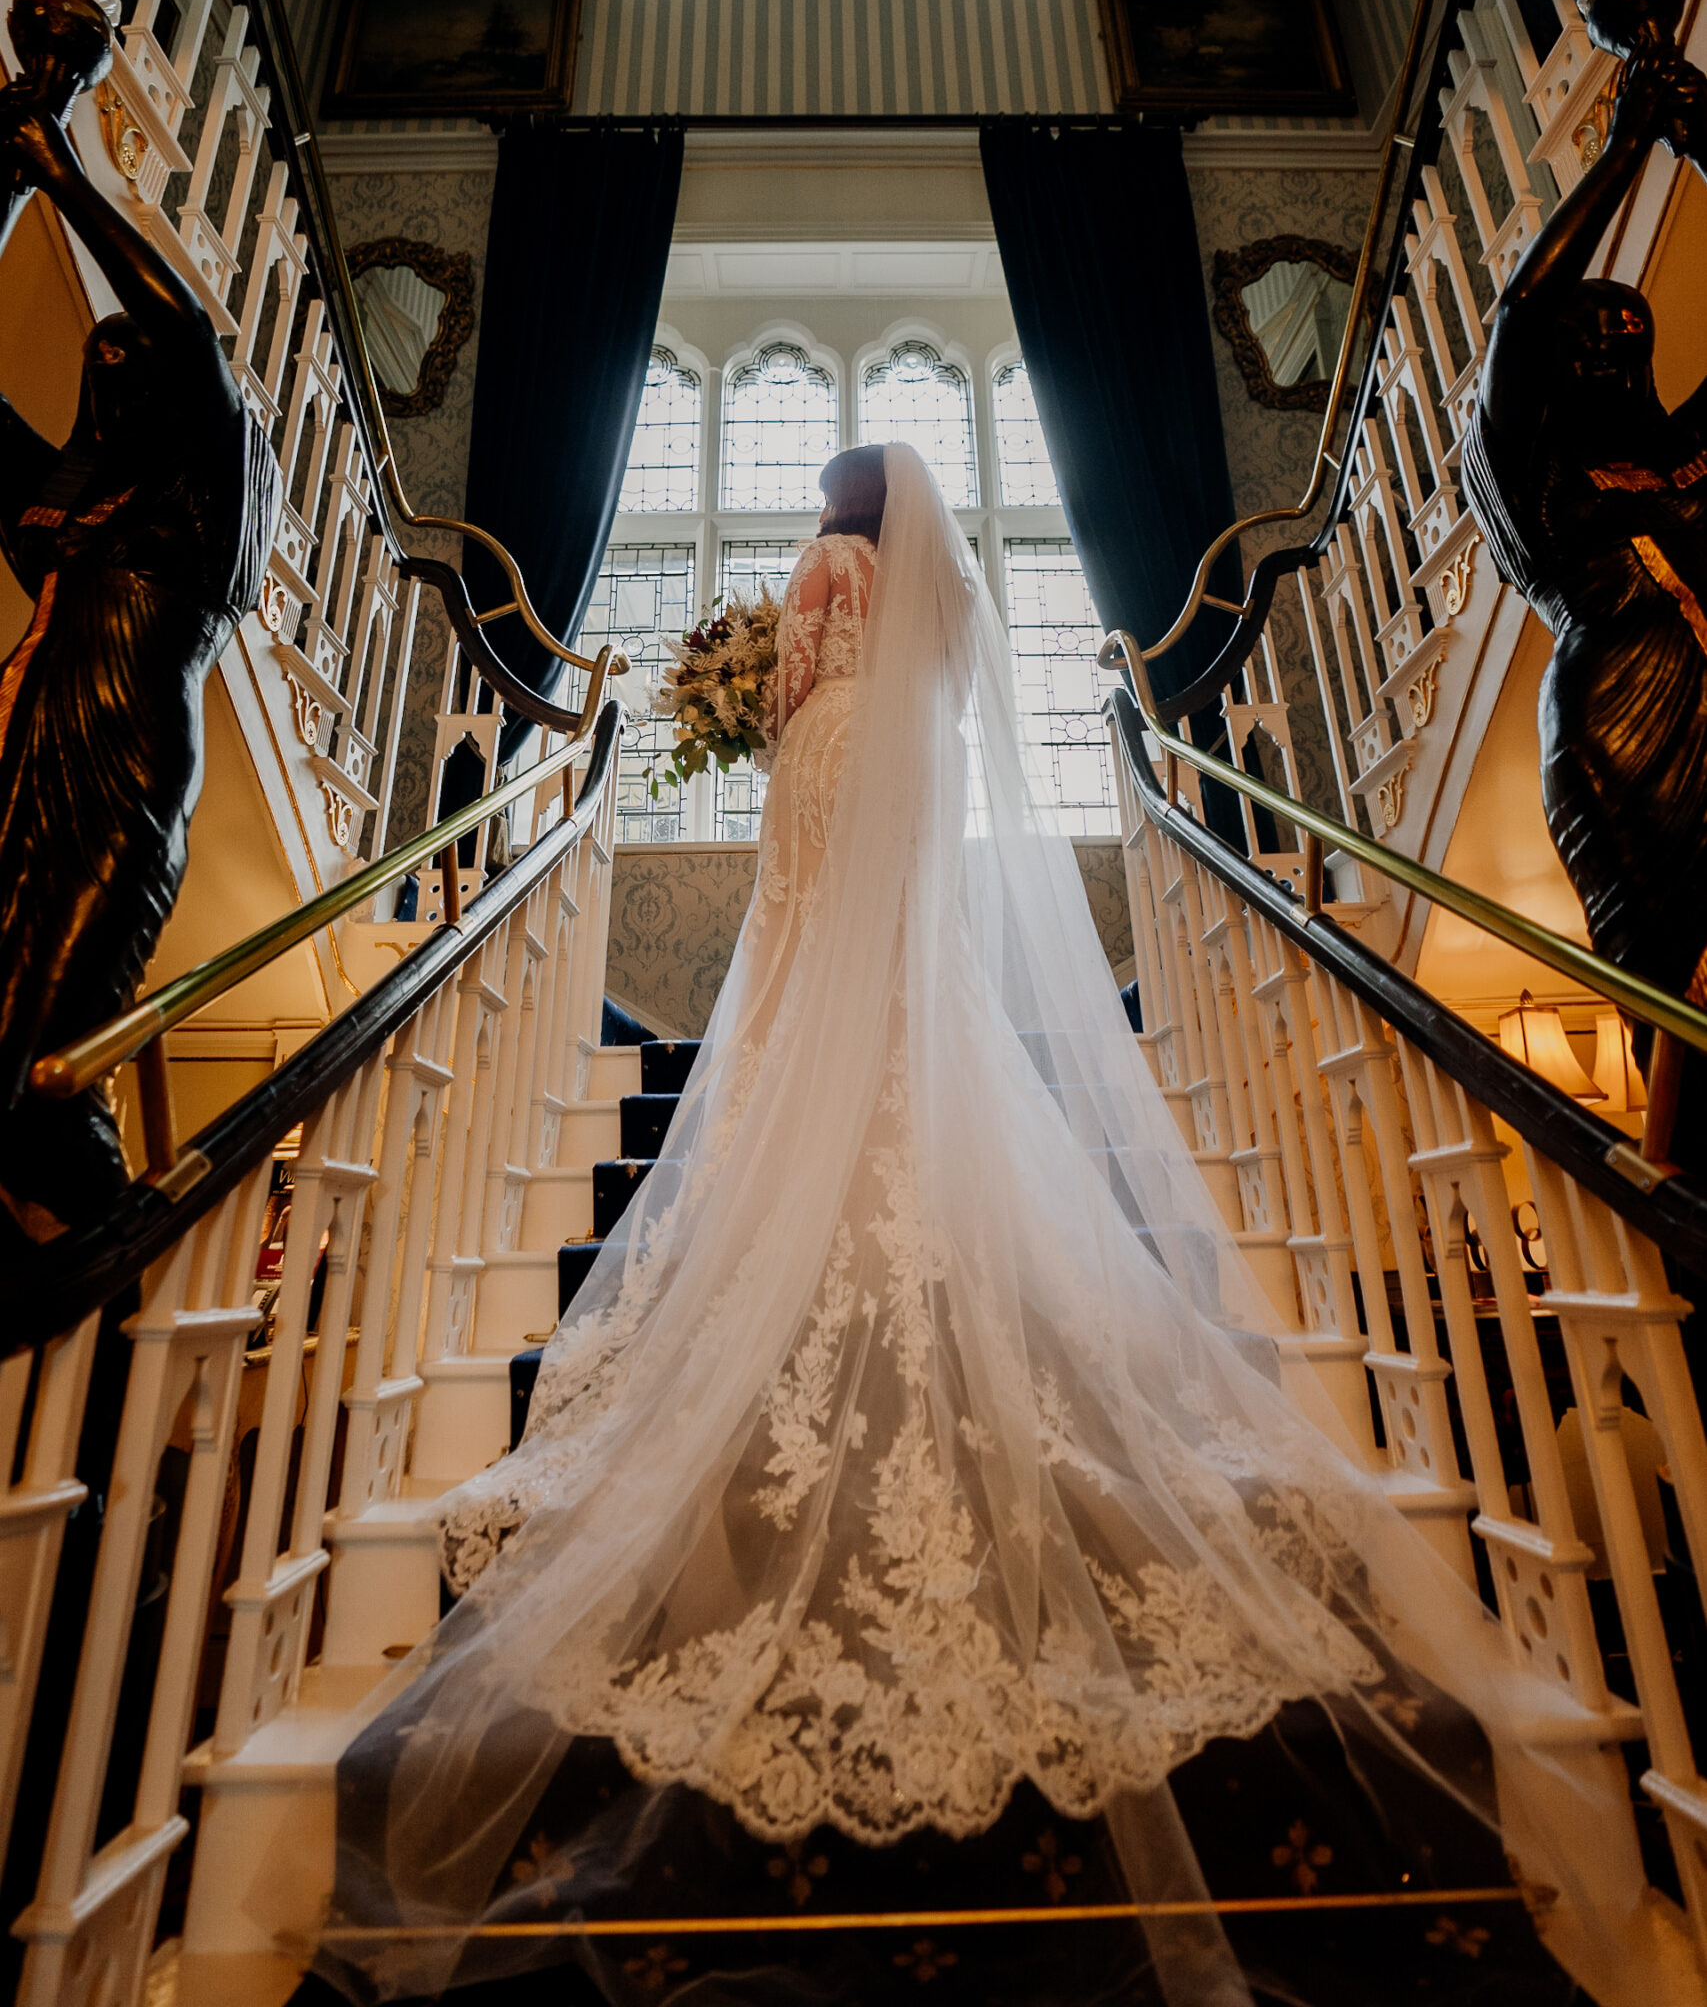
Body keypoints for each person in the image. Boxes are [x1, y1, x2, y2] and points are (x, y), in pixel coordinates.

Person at [314, 443, 1635, 2007]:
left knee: (809, 987)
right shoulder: (931, 674)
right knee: (910, 1032)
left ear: (838, 520)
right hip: (903, 840)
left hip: (825, 791)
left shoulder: (826, 599)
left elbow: (795, 806)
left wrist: (764, 703)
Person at [0, 94, 280, 1242]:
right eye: (97, 358)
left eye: (131, 357)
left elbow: (191, 338)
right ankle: (97, 1328)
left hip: (124, 763)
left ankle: (133, 1283)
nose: (111, 357)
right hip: (30, 751)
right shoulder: (78, 500)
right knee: (5, 1065)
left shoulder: (204, 497)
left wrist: (60, 173)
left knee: (51, 1072)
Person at [1462, 41, 1707, 1021]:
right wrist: (1627, 148)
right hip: (1619, 723)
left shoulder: (1686, 452)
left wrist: (1699, 141)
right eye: (1588, 347)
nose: (1611, 356)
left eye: (1629, 345)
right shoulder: (1539, 477)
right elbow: (1520, 315)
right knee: (1676, 976)